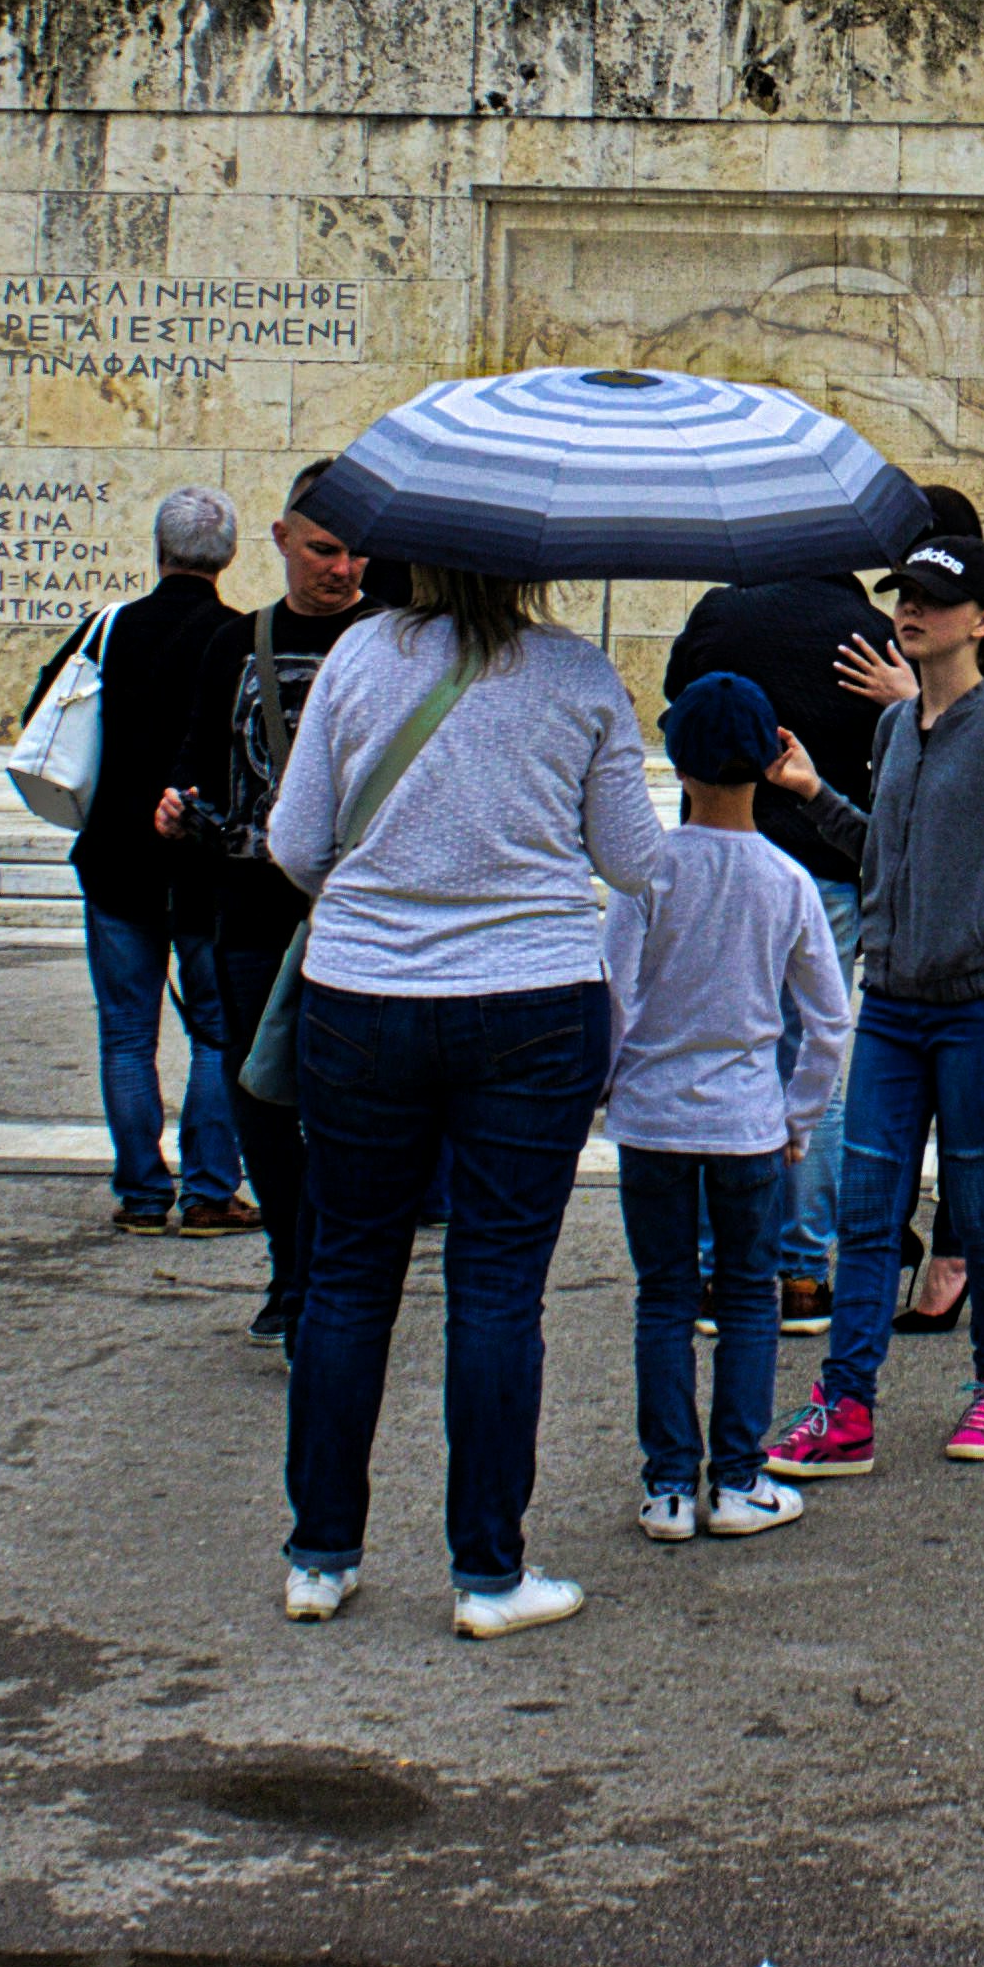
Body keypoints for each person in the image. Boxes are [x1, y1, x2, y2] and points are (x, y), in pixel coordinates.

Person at [264, 552, 670, 1641]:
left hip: (362, 995)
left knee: (346, 1278)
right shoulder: (579, 674)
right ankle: (488, 1574)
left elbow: (297, 844)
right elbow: (632, 861)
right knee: (497, 1291)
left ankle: (321, 1555)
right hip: (532, 997)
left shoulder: (357, 656)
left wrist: (391, 902)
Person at [777, 536, 984, 1473]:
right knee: (869, 1208)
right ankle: (844, 1404)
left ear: (983, 621)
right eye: (905, 593)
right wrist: (814, 796)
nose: (909, 609)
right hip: (890, 1004)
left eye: (932, 597)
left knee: (977, 1197)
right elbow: (879, 856)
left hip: (977, 1006)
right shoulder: (894, 731)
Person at [607, 673, 852, 1544]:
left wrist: (608, 1086)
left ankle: (669, 1482)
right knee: (751, 1294)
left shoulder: (649, 875)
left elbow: (615, 993)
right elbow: (827, 1016)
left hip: (652, 1117)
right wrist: (800, 1114)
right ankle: (739, 1478)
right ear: (767, 757)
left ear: (674, 759)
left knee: (664, 1294)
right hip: (749, 1121)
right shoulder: (787, 880)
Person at [166, 472, 385, 1310]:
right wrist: (177, 795)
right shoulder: (235, 642)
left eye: (357, 551)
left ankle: (331, 1270)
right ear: (281, 538)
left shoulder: (389, 640)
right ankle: (293, 1265)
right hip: (254, 899)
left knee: (347, 1101)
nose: (343, 568)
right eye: (324, 549)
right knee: (259, 1089)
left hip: (357, 906)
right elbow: (200, 750)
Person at [664, 549, 894, 1327]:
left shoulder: (720, 612)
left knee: (718, 1052)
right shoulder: (867, 627)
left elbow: (680, 707)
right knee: (815, 1065)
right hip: (826, 865)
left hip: (722, 857)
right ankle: (803, 1274)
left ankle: (714, 1272)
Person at [39, 489, 253, 1243]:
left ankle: (139, 1193)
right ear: (226, 553)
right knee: (216, 1032)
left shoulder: (113, 626)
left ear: (158, 547)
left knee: (126, 1033)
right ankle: (207, 1190)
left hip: (115, 857)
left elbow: (48, 704)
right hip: (202, 861)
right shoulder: (239, 636)